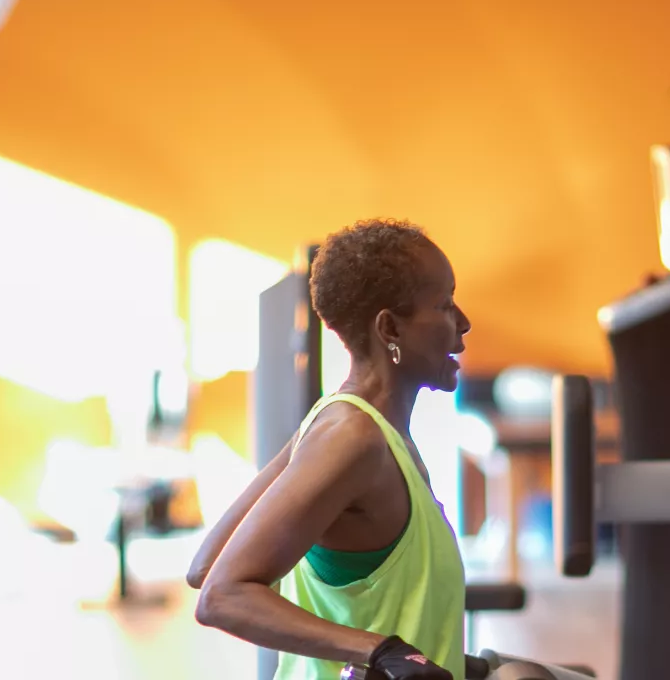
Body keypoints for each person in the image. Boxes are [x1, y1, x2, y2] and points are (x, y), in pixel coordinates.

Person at [189, 219, 472, 680]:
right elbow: (221, 592)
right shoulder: (352, 439)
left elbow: (205, 565)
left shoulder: (347, 428)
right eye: (443, 305)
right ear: (389, 329)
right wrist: (381, 651)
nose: (463, 322)